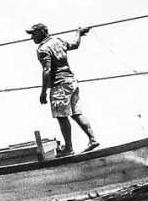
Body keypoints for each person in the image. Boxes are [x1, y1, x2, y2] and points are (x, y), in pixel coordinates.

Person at [28, 22, 99, 155]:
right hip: (71, 82)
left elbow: (47, 70)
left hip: (59, 85)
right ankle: (93, 139)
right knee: (76, 113)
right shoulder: (58, 40)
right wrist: (79, 33)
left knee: (61, 116)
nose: (32, 37)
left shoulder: (43, 49)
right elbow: (75, 45)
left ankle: (68, 148)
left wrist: (44, 91)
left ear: (43, 32)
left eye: (34, 33)